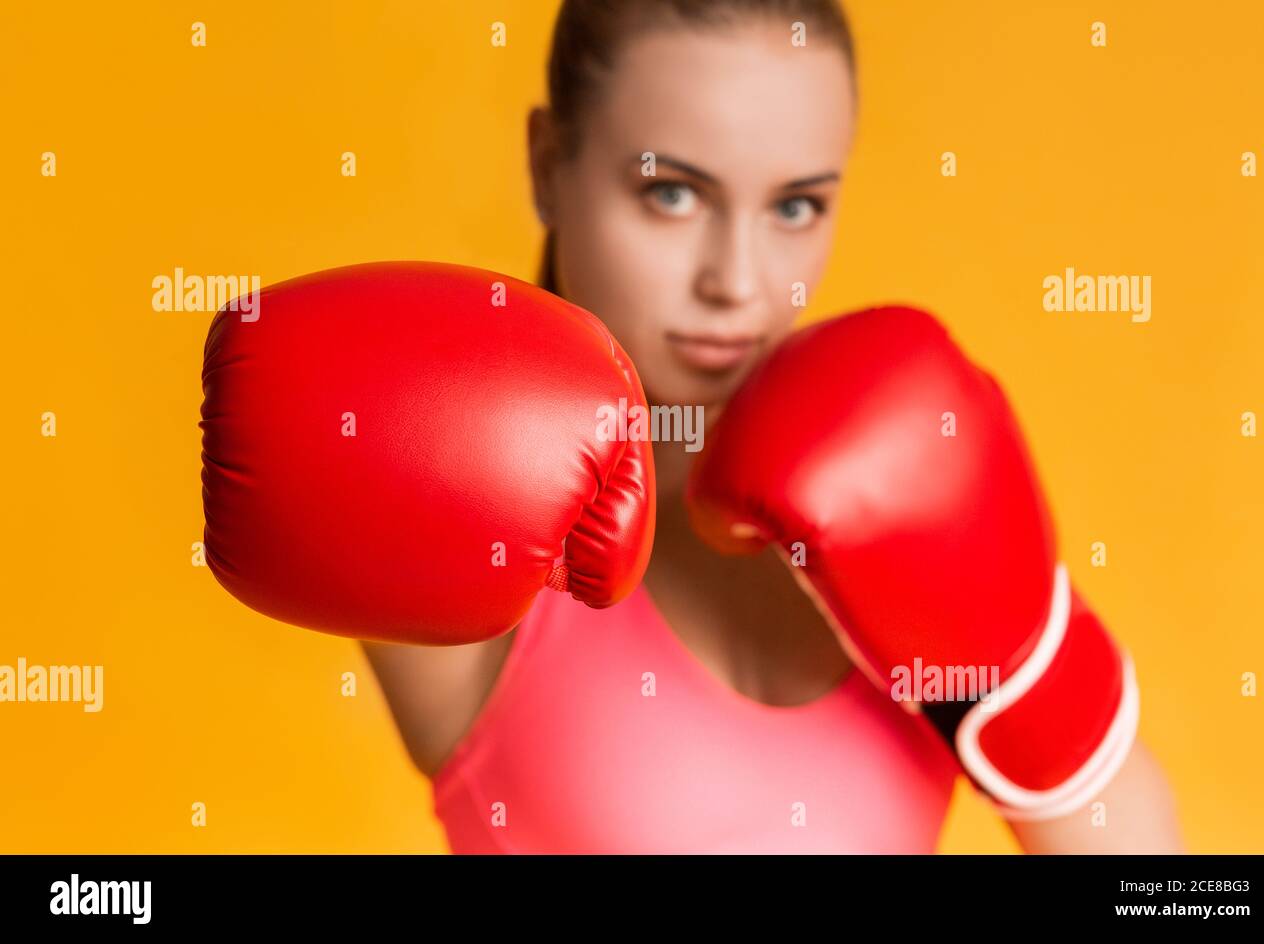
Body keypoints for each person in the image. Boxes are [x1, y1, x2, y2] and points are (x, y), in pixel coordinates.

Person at [360, 0, 1183, 853]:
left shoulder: (906, 475)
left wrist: (1036, 692)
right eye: (671, 193)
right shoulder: (465, 515)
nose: (739, 283)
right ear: (545, 165)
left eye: (795, 207)